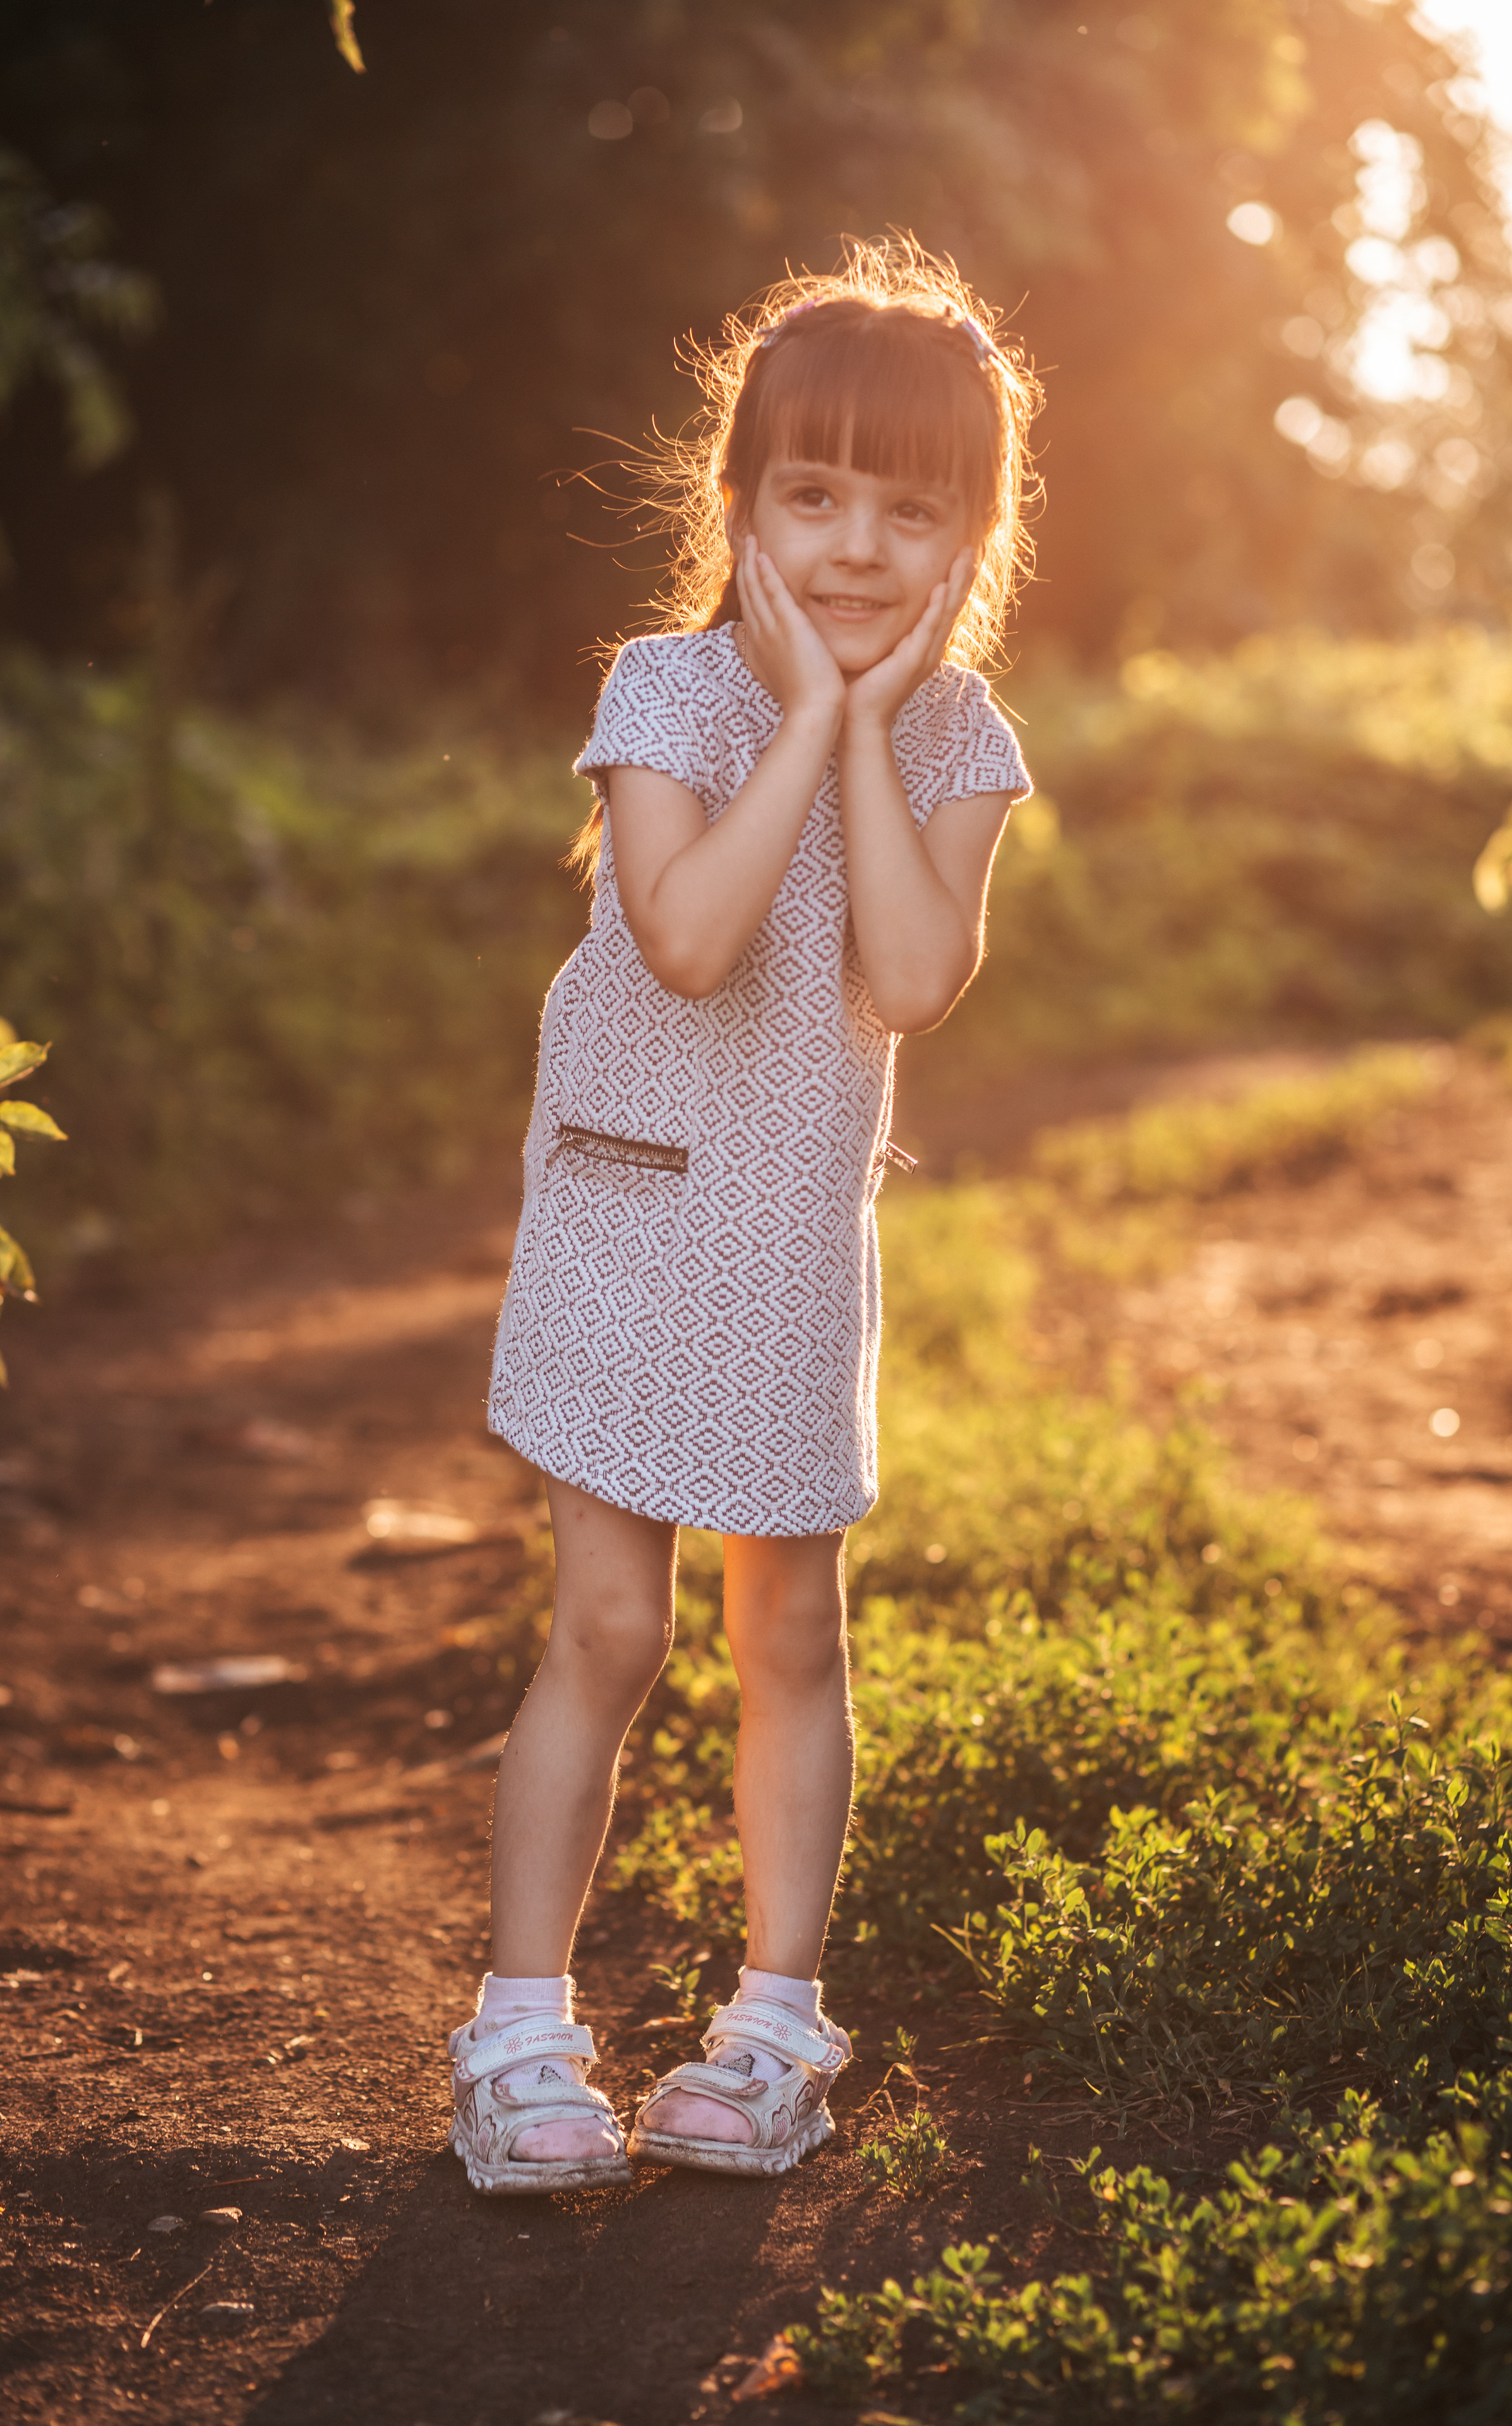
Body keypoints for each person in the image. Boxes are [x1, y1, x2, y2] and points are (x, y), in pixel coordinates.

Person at [448, 236, 1040, 2193]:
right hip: (625, 1218)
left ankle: (773, 2023)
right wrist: (799, 717)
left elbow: (906, 974)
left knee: (790, 1625)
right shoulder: (665, 691)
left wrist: (869, 727)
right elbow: (690, 942)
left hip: (789, 1237)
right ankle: (520, 2033)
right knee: (608, 1627)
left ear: (973, 533)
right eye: (813, 496)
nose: (857, 543)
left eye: (908, 506)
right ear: (741, 508)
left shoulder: (962, 747)